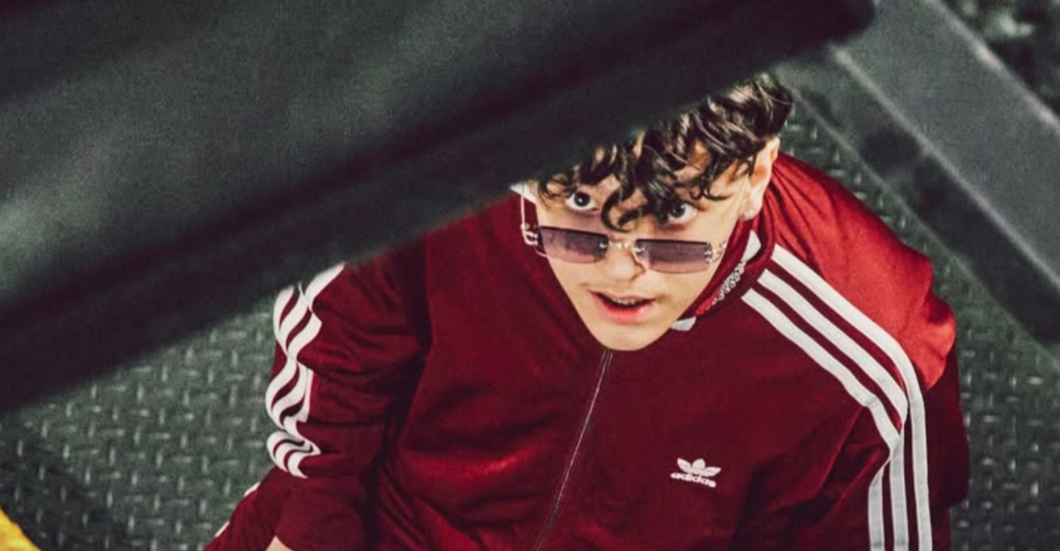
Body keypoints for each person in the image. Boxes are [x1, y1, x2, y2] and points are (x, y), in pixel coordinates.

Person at [206, 73, 969, 551]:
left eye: (672, 223)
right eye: (578, 208)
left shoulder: (875, 351)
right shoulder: (437, 188)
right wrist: (310, 533)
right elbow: (336, 365)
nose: (621, 272)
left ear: (755, 174)